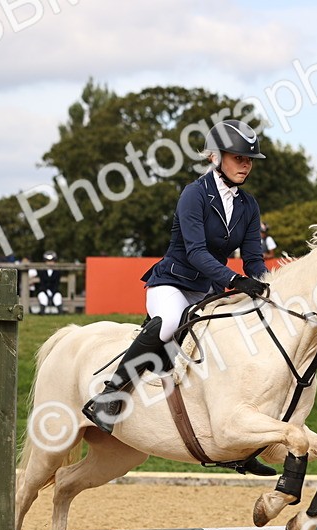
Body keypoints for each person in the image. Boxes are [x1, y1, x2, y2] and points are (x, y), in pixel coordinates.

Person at [81, 118, 274, 475]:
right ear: (216, 157)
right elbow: (197, 252)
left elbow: (253, 257)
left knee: (230, 341)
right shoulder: (194, 194)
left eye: (249, 159)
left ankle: (236, 446)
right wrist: (235, 280)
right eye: (238, 157)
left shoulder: (248, 205)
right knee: (171, 322)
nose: (246, 164)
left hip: (210, 290)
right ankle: (110, 396)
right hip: (173, 282)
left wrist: (263, 283)